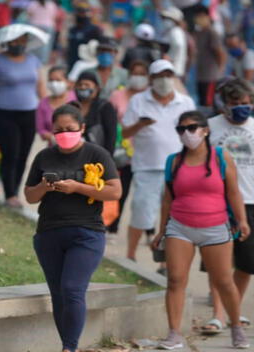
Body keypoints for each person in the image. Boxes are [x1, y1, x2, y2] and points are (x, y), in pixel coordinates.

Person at [24, 103, 121, 352]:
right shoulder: (44, 157)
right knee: (58, 294)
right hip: (49, 233)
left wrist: (77, 187)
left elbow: (115, 191)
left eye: (70, 129)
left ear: (82, 128)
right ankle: (68, 346)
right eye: (58, 130)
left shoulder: (97, 154)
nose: (64, 133)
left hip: (87, 233)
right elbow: (30, 196)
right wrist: (45, 187)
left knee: (72, 289)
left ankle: (69, 348)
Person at [150, 111, 250, 350]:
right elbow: (167, 199)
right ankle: (174, 333)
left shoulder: (220, 157)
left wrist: (242, 220)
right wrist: (161, 230)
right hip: (180, 227)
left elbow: (233, 192)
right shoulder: (173, 161)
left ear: (205, 129)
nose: (187, 133)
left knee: (224, 280)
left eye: (192, 127)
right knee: (175, 280)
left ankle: (235, 327)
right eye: (181, 129)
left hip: (216, 227)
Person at [207, 78, 254, 336]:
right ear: (224, 104)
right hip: (217, 204)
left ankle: (234, 310)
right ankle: (218, 315)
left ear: (252, 103)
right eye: (234, 103)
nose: (240, 107)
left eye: (245, 103)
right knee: (219, 264)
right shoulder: (210, 127)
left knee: (247, 264)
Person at [121, 59, 196, 263]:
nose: (164, 80)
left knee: (173, 217)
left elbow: (195, 134)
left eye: (168, 76)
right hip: (147, 166)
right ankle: (130, 255)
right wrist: (140, 125)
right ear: (151, 79)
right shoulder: (138, 100)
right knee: (141, 212)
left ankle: (165, 260)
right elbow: (125, 132)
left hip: (178, 169)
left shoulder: (185, 102)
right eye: (160, 76)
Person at [0, 29, 46, 208]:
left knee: (23, 155)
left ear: (26, 42)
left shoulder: (33, 60)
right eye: (14, 41)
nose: (18, 44)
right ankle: (9, 195)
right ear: (8, 42)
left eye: (22, 40)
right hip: (5, 113)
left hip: (29, 113)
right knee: (11, 153)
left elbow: (41, 89)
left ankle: (15, 192)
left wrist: (48, 112)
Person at [106, 60, 150, 234]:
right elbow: (110, 121)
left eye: (142, 74)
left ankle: (149, 230)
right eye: (135, 73)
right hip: (121, 153)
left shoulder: (151, 97)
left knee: (145, 196)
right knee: (119, 191)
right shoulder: (118, 95)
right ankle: (112, 226)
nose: (137, 78)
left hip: (145, 153)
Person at [75, 71, 117, 154]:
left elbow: (111, 136)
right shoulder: (72, 106)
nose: (83, 87)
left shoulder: (105, 107)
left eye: (87, 85)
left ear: (97, 88)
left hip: (98, 155)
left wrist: (107, 159)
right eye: (80, 85)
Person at [193, 5, 227, 107]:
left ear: (208, 16)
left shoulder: (212, 33)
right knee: (203, 103)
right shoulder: (197, 33)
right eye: (197, 16)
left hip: (211, 76)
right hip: (201, 76)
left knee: (210, 104)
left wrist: (219, 71)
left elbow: (220, 53)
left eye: (201, 16)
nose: (199, 18)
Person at [37, 66, 76, 146]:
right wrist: (53, 138)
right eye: (51, 80)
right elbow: (41, 129)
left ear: (67, 82)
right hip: (53, 148)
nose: (54, 84)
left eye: (58, 80)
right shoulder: (43, 103)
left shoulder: (75, 100)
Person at [66, 2, 102, 72]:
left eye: (83, 12)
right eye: (79, 12)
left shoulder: (94, 30)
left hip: (87, 63)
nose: (81, 15)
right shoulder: (73, 30)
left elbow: (98, 47)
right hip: (72, 62)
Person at [160, 7, 188, 80]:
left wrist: (170, 58)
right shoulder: (173, 31)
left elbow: (178, 45)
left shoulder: (175, 31)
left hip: (173, 70)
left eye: (168, 18)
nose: (165, 20)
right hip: (173, 69)